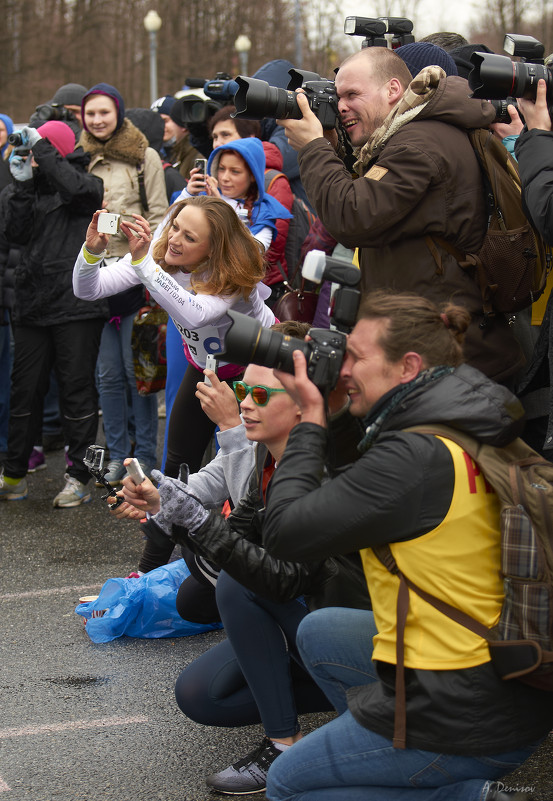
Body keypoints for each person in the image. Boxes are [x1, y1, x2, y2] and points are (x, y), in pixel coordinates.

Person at [256, 290, 553, 801]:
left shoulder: (414, 458)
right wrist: (337, 409)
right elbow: (366, 475)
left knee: (288, 784)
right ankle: (422, 778)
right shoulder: (464, 423)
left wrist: (309, 418)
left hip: (465, 710)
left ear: (408, 366)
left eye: (356, 357)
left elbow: (285, 533)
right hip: (509, 672)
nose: (342, 367)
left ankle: (441, 780)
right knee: (322, 632)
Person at [114, 327, 370, 795]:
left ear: (303, 404)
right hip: (308, 622)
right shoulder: (264, 457)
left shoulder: (329, 467)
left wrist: (191, 517)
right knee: (201, 694)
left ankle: (293, 742)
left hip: (356, 629)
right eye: (241, 391)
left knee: (237, 586)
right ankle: (348, 705)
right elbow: (231, 544)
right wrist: (167, 507)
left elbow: (275, 578)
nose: (244, 403)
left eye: (257, 393)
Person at [277, 46, 524, 386]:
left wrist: (313, 149)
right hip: (434, 346)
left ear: (393, 89)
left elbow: (354, 216)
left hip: (448, 358)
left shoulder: (418, 143)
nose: (342, 106)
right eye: (338, 96)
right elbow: (372, 202)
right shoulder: (416, 134)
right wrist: (331, 148)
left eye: (352, 94)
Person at [73, 195, 275, 483]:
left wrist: (145, 265)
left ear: (211, 251)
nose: (174, 240)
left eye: (189, 237)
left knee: (248, 467)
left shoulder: (231, 273)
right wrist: (92, 253)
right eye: (175, 227)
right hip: (207, 368)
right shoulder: (157, 258)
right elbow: (87, 290)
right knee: (178, 466)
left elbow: (198, 315)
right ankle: (171, 526)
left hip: (257, 368)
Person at [0, 122, 107, 505]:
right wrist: (24, 185)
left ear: (54, 150)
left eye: (42, 148)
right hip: (32, 304)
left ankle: (81, 475)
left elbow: (78, 191)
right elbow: (14, 232)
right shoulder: (24, 185)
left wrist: (41, 150)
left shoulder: (88, 183)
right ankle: (14, 473)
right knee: (24, 390)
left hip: (77, 304)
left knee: (77, 392)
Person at [79, 82, 167, 484]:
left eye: (104, 112)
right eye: (90, 114)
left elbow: (163, 215)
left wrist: (141, 244)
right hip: (96, 274)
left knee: (140, 373)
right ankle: (116, 455)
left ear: (118, 113)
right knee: (108, 377)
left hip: (134, 273)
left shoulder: (143, 156)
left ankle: (145, 455)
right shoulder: (78, 159)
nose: (97, 120)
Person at [208, 106, 294, 303]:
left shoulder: (269, 199)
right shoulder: (212, 193)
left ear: (253, 176)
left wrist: (219, 208)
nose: (225, 177)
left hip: (259, 291)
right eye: (220, 169)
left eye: (235, 171)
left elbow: (259, 252)